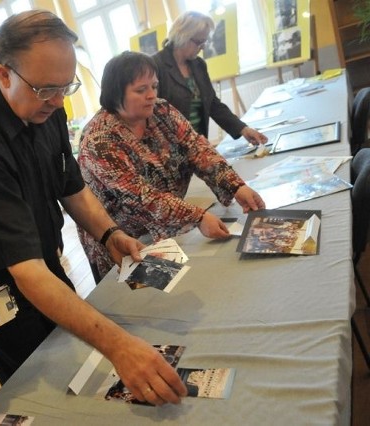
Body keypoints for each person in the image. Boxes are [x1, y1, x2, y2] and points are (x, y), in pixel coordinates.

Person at [0, 9, 187, 405]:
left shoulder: (46, 103)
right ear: (4, 75)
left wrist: (109, 233)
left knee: (70, 352)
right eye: (45, 90)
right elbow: (24, 272)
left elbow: (70, 185)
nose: (57, 101)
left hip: (40, 259)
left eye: (65, 88)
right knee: (34, 382)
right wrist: (120, 347)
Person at [78, 51, 265, 280]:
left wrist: (236, 186)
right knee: (145, 307)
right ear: (116, 94)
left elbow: (197, 148)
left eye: (154, 86)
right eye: (141, 90)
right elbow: (142, 197)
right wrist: (197, 217)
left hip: (162, 229)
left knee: (193, 287)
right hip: (124, 242)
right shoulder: (99, 139)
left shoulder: (162, 110)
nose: (151, 95)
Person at [152, 11, 268, 145]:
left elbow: (212, 104)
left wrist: (243, 129)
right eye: (199, 42)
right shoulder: (155, 66)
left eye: (205, 42)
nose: (203, 47)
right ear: (182, 37)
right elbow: (153, 116)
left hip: (199, 144)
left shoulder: (199, 64)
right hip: (172, 148)